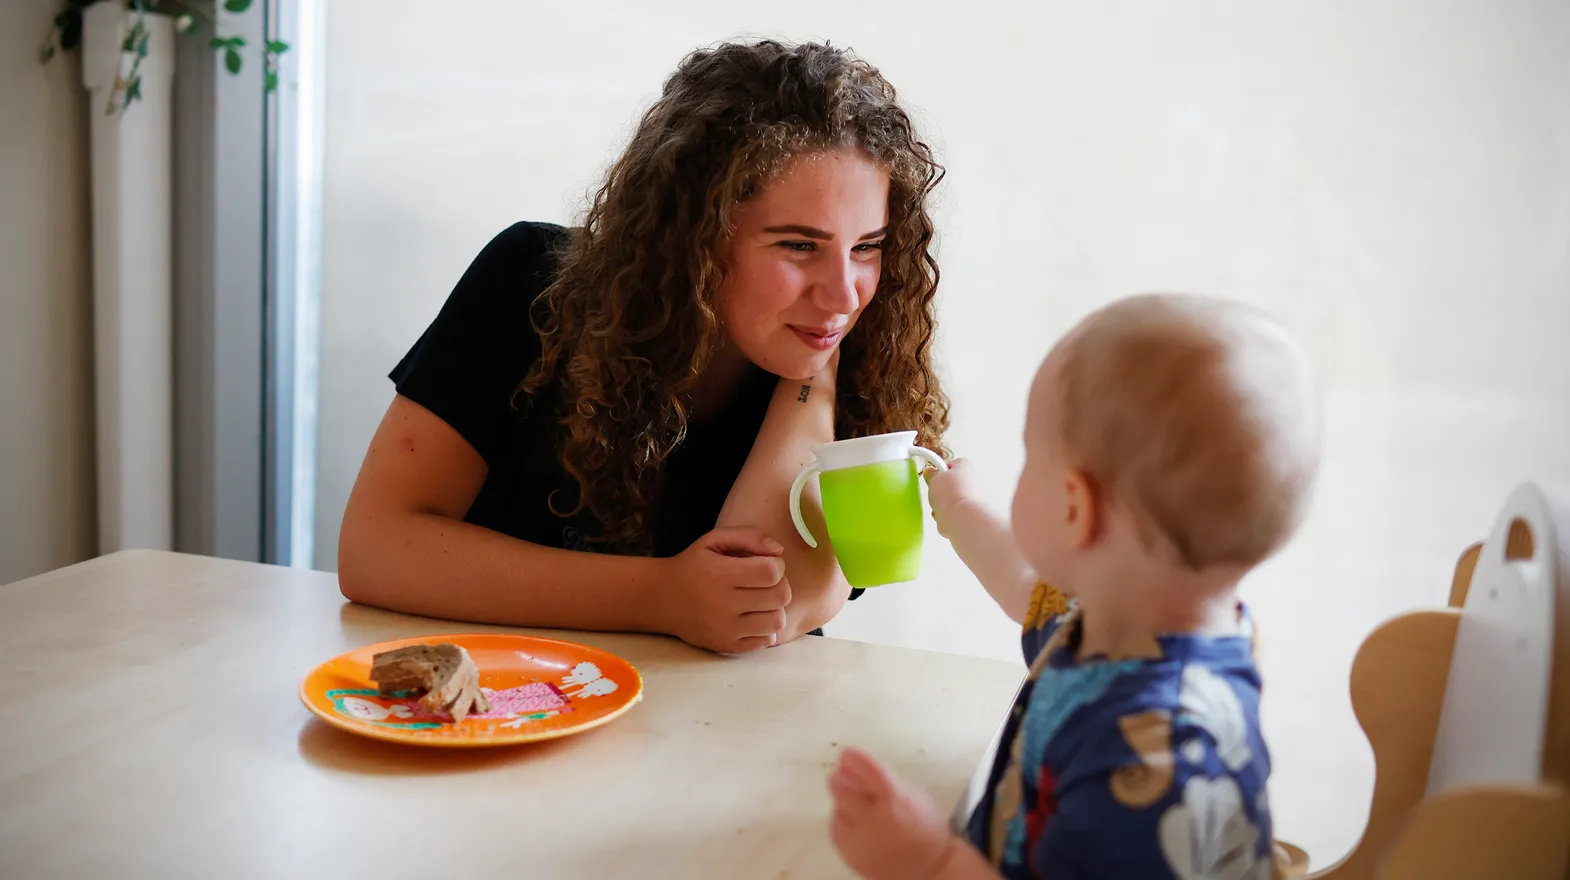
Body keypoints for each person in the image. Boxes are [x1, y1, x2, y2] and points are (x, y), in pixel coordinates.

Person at [337, 40, 949, 655]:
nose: (844, 293)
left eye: (867, 246)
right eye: (798, 246)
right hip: (501, 705)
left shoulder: (860, 362)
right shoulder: (527, 282)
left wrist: (812, 379)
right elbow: (375, 550)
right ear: (695, 239)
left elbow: (766, 605)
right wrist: (659, 595)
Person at [827, 294, 1322, 879]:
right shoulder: (1138, 621)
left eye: (1030, 455)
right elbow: (1025, 585)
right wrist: (962, 511)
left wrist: (929, 861)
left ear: (1073, 506)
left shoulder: (1151, 762)